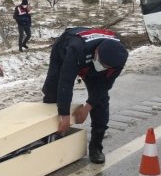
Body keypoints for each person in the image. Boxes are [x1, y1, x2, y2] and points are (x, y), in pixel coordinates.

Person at [41, 27, 129, 165]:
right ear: (97, 51)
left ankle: (96, 147)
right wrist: (65, 116)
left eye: (107, 66)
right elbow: (66, 81)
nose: (103, 67)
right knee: (53, 91)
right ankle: (48, 134)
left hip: (90, 61)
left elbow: (105, 84)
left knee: (101, 100)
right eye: (102, 63)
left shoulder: (119, 57)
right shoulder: (77, 49)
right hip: (66, 48)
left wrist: (88, 106)